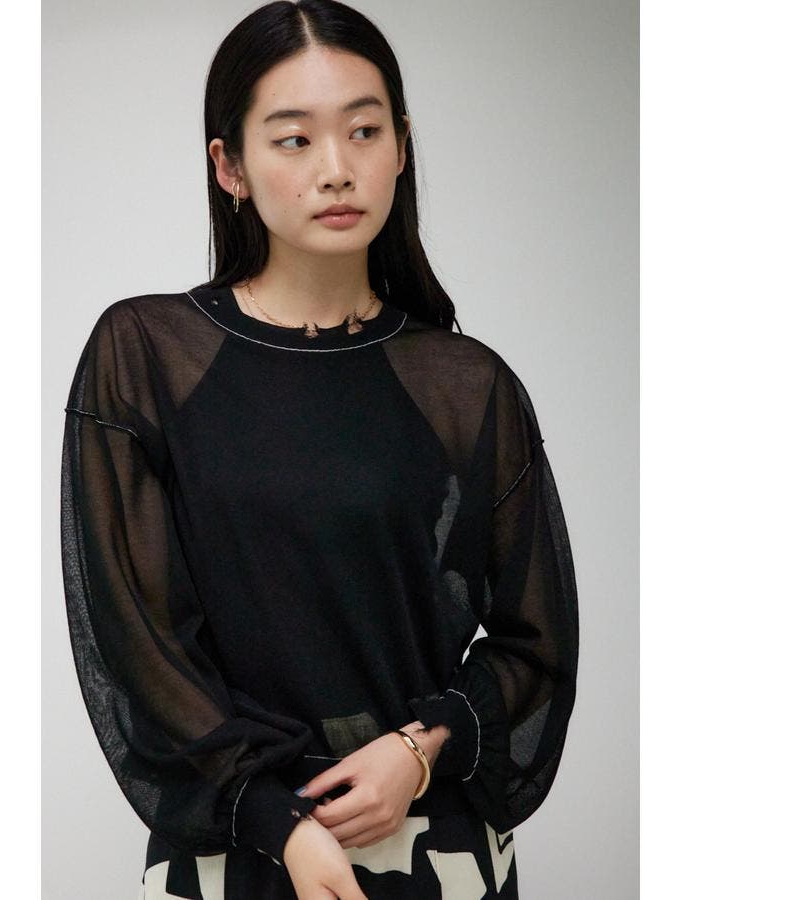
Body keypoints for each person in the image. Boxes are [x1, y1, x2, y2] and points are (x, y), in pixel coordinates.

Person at [59, 1, 579, 897]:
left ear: (402, 147)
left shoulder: (467, 385)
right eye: (294, 140)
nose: (337, 168)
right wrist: (279, 823)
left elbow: (538, 645)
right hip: (239, 849)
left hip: (434, 847)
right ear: (229, 165)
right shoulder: (145, 358)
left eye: (364, 131)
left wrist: (419, 752)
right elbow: (138, 644)